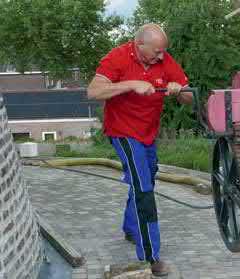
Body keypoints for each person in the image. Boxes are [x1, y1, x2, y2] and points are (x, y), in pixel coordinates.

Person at [87, 23, 192, 276]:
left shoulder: (164, 60)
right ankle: (150, 256)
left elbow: (190, 96)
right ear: (139, 44)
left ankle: (131, 228)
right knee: (143, 189)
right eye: (156, 51)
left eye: (163, 52)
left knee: (145, 181)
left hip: (148, 135)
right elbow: (93, 91)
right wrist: (130, 84)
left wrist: (180, 91)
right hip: (122, 132)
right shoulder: (118, 57)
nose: (161, 56)